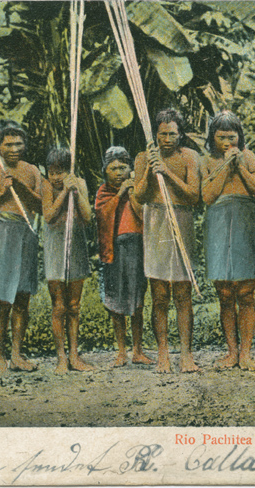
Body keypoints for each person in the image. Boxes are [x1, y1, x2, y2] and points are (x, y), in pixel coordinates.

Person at [0, 120, 44, 374]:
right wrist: (2, 195)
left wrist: (21, 187)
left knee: (23, 297)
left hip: (27, 231)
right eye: (9, 144)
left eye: (19, 143)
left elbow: (43, 206)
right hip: (1, 233)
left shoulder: (32, 170)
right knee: (4, 299)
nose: (15, 148)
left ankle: (17, 355)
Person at [134, 108, 201, 373]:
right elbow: (139, 196)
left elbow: (193, 195)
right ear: (156, 135)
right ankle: (163, 353)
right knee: (159, 294)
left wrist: (168, 173)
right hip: (155, 220)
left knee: (183, 294)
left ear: (180, 134)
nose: (168, 139)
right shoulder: (144, 157)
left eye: (173, 134)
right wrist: (152, 171)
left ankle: (186, 354)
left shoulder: (190, 157)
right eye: (163, 134)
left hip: (181, 219)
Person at [201, 111, 255, 370]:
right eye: (221, 137)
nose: (228, 142)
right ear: (212, 138)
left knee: (246, 291)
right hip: (217, 221)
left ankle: (247, 353)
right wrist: (225, 166)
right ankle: (231, 351)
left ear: (240, 136)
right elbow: (207, 196)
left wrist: (239, 166)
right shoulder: (207, 161)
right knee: (225, 292)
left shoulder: (248, 157)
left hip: (245, 220)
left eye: (232, 136)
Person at [95, 146, 154, 368]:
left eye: (123, 167)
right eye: (113, 168)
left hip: (136, 246)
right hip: (113, 250)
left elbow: (142, 213)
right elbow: (102, 214)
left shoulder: (137, 190)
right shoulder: (103, 192)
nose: (119, 172)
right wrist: (120, 195)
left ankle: (138, 349)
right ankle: (121, 351)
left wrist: (132, 193)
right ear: (105, 171)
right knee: (116, 301)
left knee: (137, 299)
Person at [42, 147, 95, 374]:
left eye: (60, 172)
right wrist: (64, 192)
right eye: (52, 172)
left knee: (74, 305)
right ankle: (61, 357)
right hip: (54, 244)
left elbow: (87, 217)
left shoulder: (79, 183)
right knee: (59, 306)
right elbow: (49, 216)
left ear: (69, 170)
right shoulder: (47, 187)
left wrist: (75, 192)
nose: (55, 177)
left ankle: (74, 355)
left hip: (75, 243)